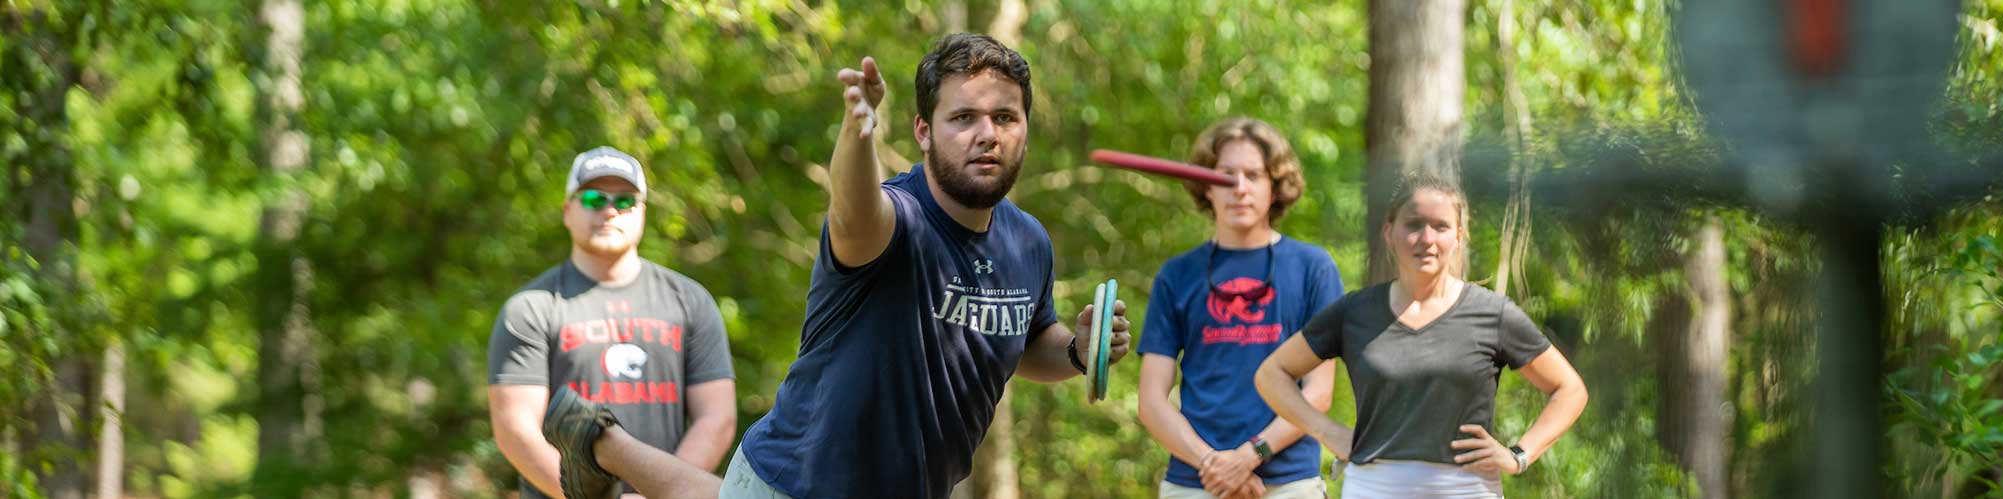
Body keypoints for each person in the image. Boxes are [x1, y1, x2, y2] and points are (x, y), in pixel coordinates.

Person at [532, 33, 1134, 499]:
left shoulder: (1028, 243)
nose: (987, 134)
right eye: (963, 118)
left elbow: (1025, 343)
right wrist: (858, 133)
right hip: (800, 479)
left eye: (1005, 117)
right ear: (923, 132)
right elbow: (852, 214)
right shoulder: (898, 220)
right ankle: (602, 442)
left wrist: (1078, 350)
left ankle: (596, 439)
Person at [1254, 173, 1588, 498]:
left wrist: (1519, 455)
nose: (1426, 238)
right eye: (1413, 224)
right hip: (1374, 486)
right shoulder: (1354, 312)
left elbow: (1569, 389)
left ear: (1459, 236)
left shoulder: (1493, 313)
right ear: (1389, 232)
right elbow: (1271, 374)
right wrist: (1328, 432)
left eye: (1441, 227)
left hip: (1467, 487)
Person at [487, 146, 739, 499]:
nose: (609, 211)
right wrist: (589, 496)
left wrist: (662, 493)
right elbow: (515, 429)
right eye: (593, 198)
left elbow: (717, 418)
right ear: (567, 210)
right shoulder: (531, 308)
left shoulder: (689, 300)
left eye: (624, 202)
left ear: (642, 213)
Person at [1135, 117, 1341, 499]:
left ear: (1275, 187)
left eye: (1253, 175)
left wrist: (1249, 456)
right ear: (1206, 186)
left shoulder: (1314, 268)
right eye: (1225, 175)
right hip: (1194, 482)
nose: (1239, 188)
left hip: (1288, 482)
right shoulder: (1177, 275)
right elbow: (1150, 400)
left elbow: (1318, 392)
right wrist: (1214, 463)